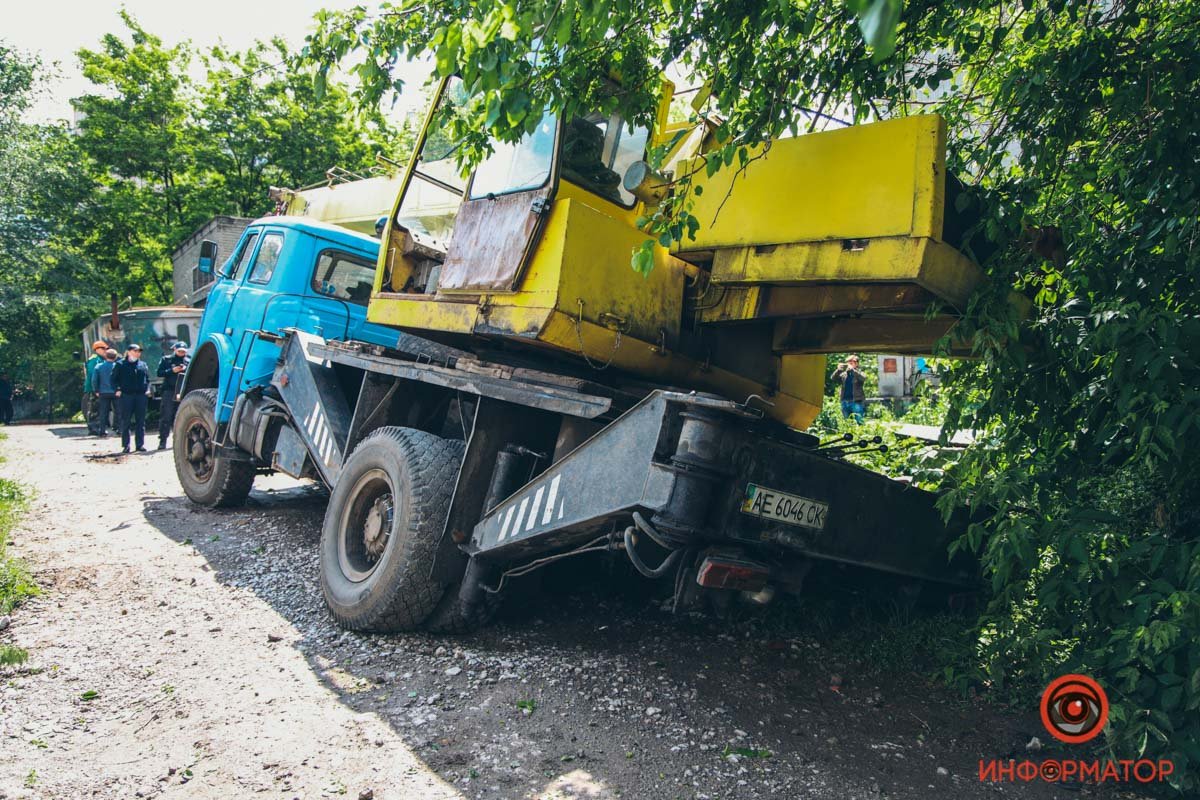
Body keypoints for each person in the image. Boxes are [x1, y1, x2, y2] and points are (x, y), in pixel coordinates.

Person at [113, 343, 151, 453]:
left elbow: (147, 379)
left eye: (139, 351)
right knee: (126, 421)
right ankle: (126, 445)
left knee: (141, 421)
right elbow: (113, 379)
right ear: (129, 352)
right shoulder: (120, 364)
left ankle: (140, 445)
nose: (137, 353)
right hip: (126, 395)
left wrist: (148, 389)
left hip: (140, 396)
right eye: (135, 351)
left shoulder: (142, 365)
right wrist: (117, 389)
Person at [156, 341, 190, 449]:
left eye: (183, 351)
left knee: (181, 417)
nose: (181, 353)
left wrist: (186, 369)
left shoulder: (188, 360)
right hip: (169, 391)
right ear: (175, 349)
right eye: (179, 351)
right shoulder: (167, 359)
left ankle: (179, 442)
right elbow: (159, 373)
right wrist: (171, 370)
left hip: (183, 390)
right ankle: (163, 441)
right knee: (166, 416)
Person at [83, 341, 108, 434]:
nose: (105, 351)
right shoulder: (94, 360)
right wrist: (96, 388)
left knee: (100, 408)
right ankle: (93, 428)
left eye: (106, 349)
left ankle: (98, 427)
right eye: (103, 349)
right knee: (94, 408)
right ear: (97, 349)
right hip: (93, 388)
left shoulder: (101, 359)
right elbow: (92, 374)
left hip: (100, 388)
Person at [93, 349, 119, 437]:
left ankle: (102, 431)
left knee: (103, 412)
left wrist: (96, 390)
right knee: (118, 411)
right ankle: (119, 428)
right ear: (115, 357)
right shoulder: (118, 366)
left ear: (105, 356)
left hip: (103, 392)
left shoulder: (99, 366)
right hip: (116, 392)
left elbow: (94, 380)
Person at [833, 355, 866, 422]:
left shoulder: (859, 373)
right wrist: (838, 370)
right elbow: (833, 378)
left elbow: (863, 378)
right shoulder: (844, 374)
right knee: (847, 423)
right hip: (844, 401)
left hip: (856, 402)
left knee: (859, 421)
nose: (849, 364)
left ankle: (860, 432)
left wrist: (852, 370)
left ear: (856, 364)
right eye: (848, 362)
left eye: (851, 363)